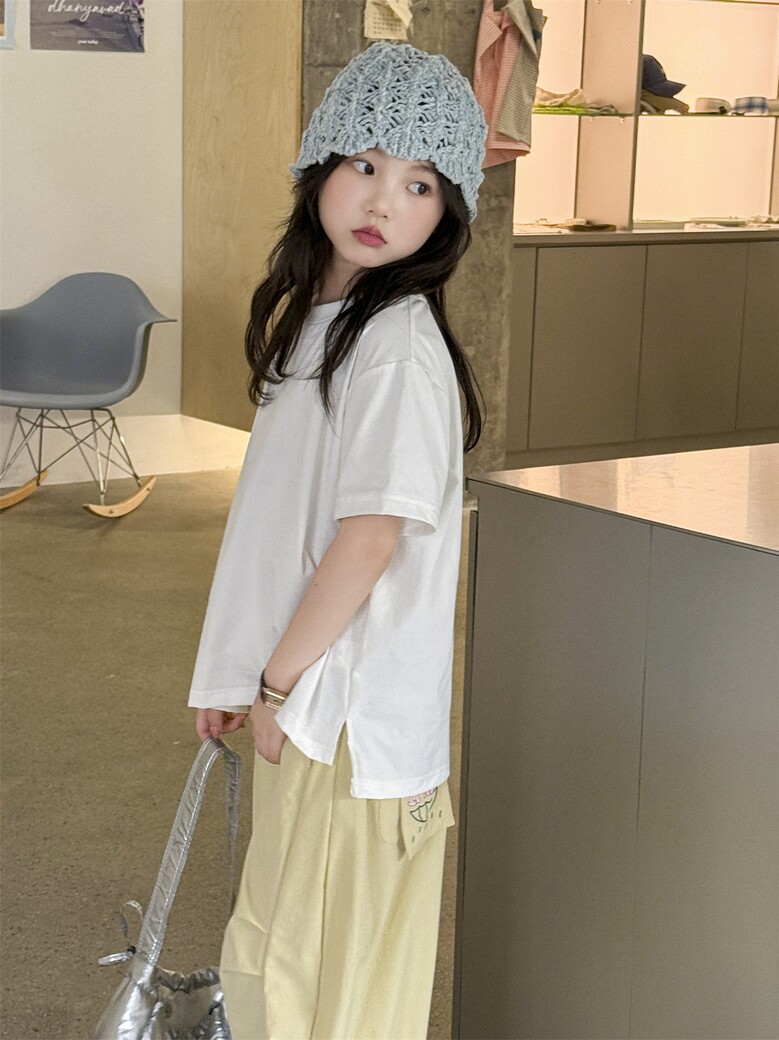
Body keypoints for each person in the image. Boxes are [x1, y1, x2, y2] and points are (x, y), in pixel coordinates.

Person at [188, 40, 488, 1040]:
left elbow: (368, 541)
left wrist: (274, 683)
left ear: (446, 213)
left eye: (420, 183)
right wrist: (239, 670)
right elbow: (282, 529)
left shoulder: (392, 345)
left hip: (345, 721)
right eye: (365, 162)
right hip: (315, 706)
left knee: (310, 985)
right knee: (285, 961)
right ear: (320, 163)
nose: (383, 201)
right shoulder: (326, 321)